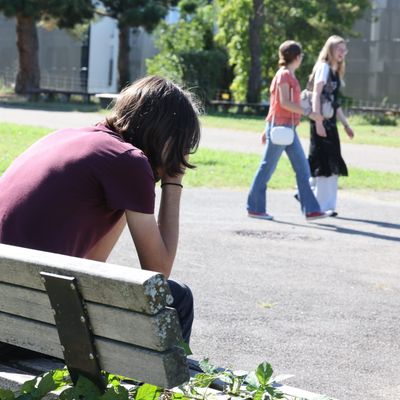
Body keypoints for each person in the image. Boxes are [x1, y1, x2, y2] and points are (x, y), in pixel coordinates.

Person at [0, 76, 200, 343]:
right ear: (168, 137)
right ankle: (161, 384)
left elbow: (92, 264)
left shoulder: (68, 137)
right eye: (182, 145)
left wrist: (130, 196)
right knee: (177, 299)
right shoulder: (128, 162)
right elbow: (159, 270)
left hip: (10, 310)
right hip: (23, 326)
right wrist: (173, 181)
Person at [247, 40, 328, 221]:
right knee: (267, 168)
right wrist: (310, 113)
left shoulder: (287, 75)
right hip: (281, 128)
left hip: (286, 129)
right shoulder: (284, 75)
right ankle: (255, 207)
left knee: (303, 169)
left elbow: (275, 104)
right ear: (297, 57)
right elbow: (283, 102)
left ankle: (311, 210)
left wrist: (265, 128)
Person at [308, 35, 355, 215]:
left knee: (332, 162)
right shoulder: (323, 68)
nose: (342, 53)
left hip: (330, 123)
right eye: (339, 49)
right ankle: (318, 204)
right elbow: (316, 95)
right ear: (330, 50)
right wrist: (318, 120)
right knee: (323, 163)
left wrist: (345, 125)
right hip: (321, 121)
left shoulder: (335, 71)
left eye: (344, 50)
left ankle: (325, 204)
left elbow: (334, 103)